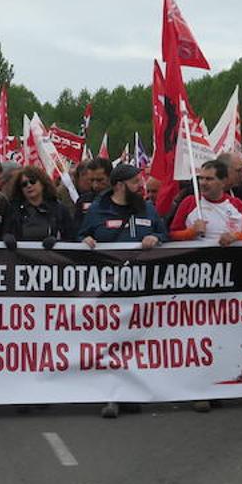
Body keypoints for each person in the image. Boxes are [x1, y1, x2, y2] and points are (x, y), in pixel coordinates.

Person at [79, 163, 169, 418]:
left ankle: (129, 393)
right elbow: (81, 235)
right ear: (119, 185)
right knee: (110, 344)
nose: (140, 186)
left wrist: (157, 239)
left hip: (140, 291)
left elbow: (163, 234)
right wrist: (84, 241)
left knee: (133, 344)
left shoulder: (148, 209)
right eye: (134, 182)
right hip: (108, 292)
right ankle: (111, 396)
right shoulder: (98, 210)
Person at [168, 159, 242, 245]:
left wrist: (237, 237)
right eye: (201, 178)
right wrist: (191, 232)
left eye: (209, 179)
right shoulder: (189, 202)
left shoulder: (237, 205)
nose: (203, 183)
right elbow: (172, 234)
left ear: (224, 182)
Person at [2, 166, 79, 247]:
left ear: (42, 183)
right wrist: (7, 237)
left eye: (32, 181)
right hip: (20, 258)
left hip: (52, 258)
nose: (29, 186)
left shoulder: (59, 209)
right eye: (24, 184)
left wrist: (57, 242)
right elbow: (5, 233)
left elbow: (71, 238)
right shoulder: (13, 209)